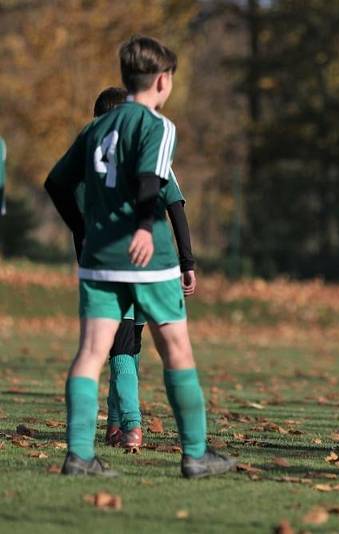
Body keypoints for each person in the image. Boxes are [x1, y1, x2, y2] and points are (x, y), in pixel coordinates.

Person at [44, 35, 233, 478]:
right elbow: (152, 183)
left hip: (98, 256)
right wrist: (145, 228)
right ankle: (195, 453)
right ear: (163, 81)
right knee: (176, 350)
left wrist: (83, 228)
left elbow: (55, 182)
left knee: (92, 351)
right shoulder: (157, 126)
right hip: (150, 258)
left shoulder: (94, 129)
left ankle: (78, 454)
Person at [76, 87, 197, 453]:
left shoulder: (92, 164)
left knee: (118, 349)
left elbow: (80, 221)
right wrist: (187, 261)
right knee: (130, 346)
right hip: (156, 266)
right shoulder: (152, 152)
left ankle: (130, 425)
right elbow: (175, 206)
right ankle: (115, 423)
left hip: (115, 266)